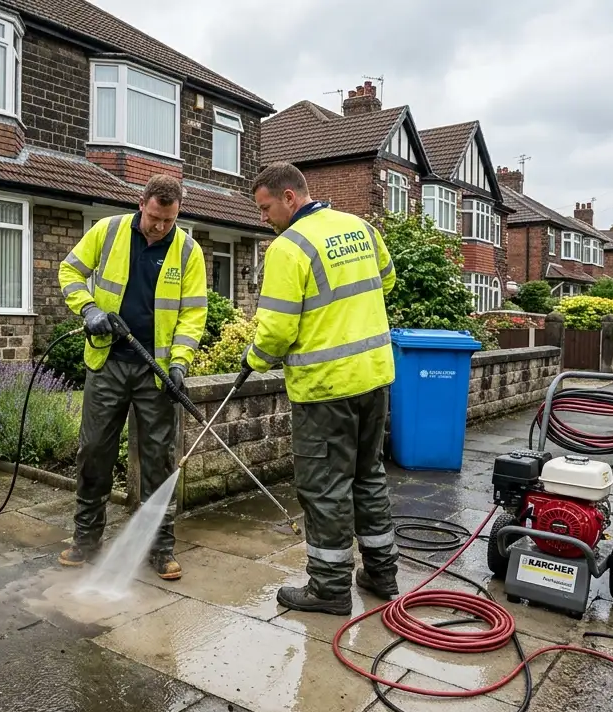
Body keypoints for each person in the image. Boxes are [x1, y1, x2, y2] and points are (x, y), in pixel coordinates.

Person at [241, 162, 400, 615]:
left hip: (325, 389)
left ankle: (329, 589)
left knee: (325, 487)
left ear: (290, 197)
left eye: (266, 207)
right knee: (368, 476)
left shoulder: (288, 248)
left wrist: (254, 358)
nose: (264, 218)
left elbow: (275, 330)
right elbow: (384, 281)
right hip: (374, 378)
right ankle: (382, 572)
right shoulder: (360, 227)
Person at [56, 174, 208, 580]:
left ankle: (160, 547)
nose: (160, 227)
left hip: (155, 373)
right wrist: (89, 310)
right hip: (107, 362)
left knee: (160, 459)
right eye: (155, 217)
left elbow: (193, 313)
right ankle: (86, 538)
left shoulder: (188, 250)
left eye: (169, 220)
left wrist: (179, 363)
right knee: (94, 452)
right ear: (142, 204)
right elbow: (70, 272)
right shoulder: (107, 232)